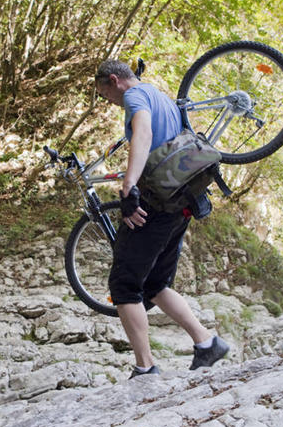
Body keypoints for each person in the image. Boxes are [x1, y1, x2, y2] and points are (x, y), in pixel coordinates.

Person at [94, 59, 230, 379]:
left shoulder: (135, 97)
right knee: (155, 284)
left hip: (155, 202)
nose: (108, 101)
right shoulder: (159, 94)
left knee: (124, 285)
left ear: (113, 81)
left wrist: (128, 186)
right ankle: (206, 343)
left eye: (104, 94)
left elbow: (142, 134)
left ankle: (145, 367)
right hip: (181, 202)